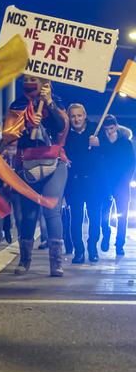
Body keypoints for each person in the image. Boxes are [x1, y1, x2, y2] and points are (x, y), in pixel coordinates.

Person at [3, 76, 69, 277]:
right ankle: (24, 260)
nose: (28, 82)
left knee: (52, 210)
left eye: (33, 79)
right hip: (28, 165)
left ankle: (56, 263)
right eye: (26, 78)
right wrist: (26, 126)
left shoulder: (55, 101)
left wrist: (48, 102)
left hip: (54, 163)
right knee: (29, 214)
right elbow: (9, 135)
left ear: (44, 82)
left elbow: (60, 127)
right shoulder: (18, 105)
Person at [91, 115, 135, 256]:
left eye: (111, 128)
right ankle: (107, 233)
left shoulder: (125, 143)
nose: (109, 131)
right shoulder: (100, 143)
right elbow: (97, 162)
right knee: (104, 213)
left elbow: (131, 164)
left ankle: (120, 244)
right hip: (104, 183)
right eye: (106, 129)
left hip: (121, 184)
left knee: (123, 216)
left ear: (116, 126)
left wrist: (125, 180)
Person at [63, 103, 101, 264]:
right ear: (69, 118)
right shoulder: (66, 135)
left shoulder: (96, 130)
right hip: (75, 183)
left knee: (95, 218)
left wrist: (99, 144)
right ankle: (79, 252)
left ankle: (92, 248)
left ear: (84, 115)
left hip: (94, 183)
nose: (76, 119)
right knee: (75, 219)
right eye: (73, 116)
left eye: (79, 115)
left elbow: (108, 154)